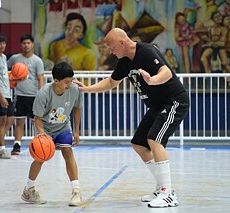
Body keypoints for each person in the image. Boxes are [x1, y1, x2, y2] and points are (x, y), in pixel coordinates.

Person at [74, 28, 190, 208]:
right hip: (157, 106)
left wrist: (153, 80)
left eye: (111, 47)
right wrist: (87, 89)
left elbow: (166, 72)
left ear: (121, 42)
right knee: (139, 144)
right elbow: (112, 82)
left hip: (174, 101)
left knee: (154, 140)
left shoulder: (146, 51)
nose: (110, 51)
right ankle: (161, 188)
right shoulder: (124, 61)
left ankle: (168, 194)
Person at [21, 61, 83, 206]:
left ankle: (76, 191)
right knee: (40, 158)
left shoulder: (74, 89)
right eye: (67, 82)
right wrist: (42, 133)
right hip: (46, 129)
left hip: (63, 127)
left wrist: (76, 131)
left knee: (68, 153)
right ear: (56, 80)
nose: (70, 84)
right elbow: (37, 119)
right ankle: (28, 190)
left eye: (71, 80)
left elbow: (77, 108)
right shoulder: (44, 93)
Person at [7, 34, 44, 155]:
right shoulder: (14, 59)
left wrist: (41, 95)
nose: (26, 45)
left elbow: (40, 78)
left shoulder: (37, 61)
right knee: (19, 122)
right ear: (21, 45)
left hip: (34, 96)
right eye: (24, 43)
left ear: (32, 44)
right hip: (20, 95)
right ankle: (17, 145)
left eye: (28, 43)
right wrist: (11, 80)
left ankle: (40, 144)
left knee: (37, 122)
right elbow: (6, 72)